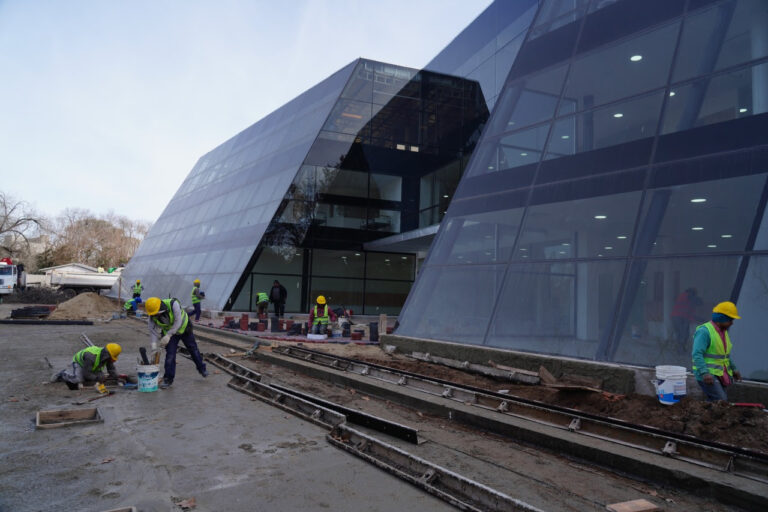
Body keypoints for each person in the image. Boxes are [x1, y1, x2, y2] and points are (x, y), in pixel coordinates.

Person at [145, 296, 208, 389]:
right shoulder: (152, 316)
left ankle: (202, 369)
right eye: (154, 314)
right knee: (170, 355)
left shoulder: (173, 304)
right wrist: (154, 346)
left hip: (184, 328)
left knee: (193, 349)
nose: (155, 315)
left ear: (160, 307)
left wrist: (168, 335)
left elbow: (178, 322)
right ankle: (168, 379)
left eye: (156, 313)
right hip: (171, 334)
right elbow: (153, 331)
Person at [692, 301, 743, 402]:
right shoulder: (704, 331)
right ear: (721, 319)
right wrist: (705, 373)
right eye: (730, 320)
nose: (732, 323)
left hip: (719, 373)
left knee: (717, 402)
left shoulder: (723, 332)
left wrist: (734, 369)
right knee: (720, 400)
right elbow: (697, 354)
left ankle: (703, 411)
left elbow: (724, 356)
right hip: (707, 374)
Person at [52, 343, 122, 390]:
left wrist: (117, 378)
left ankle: (87, 377)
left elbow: (111, 369)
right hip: (79, 363)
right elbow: (86, 373)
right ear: (107, 354)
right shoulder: (91, 356)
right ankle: (63, 374)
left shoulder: (107, 356)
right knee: (78, 379)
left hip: (90, 367)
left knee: (101, 377)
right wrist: (96, 378)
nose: (112, 359)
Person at [670, 288, 702, 354]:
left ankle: (680, 349)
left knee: (681, 334)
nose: (697, 306)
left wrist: (697, 318)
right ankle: (680, 349)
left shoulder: (685, 298)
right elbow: (687, 313)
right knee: (683, 334)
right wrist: (697, 318)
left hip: (676, 317)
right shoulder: (687, 297)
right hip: (680, 318)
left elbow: (689, 314)